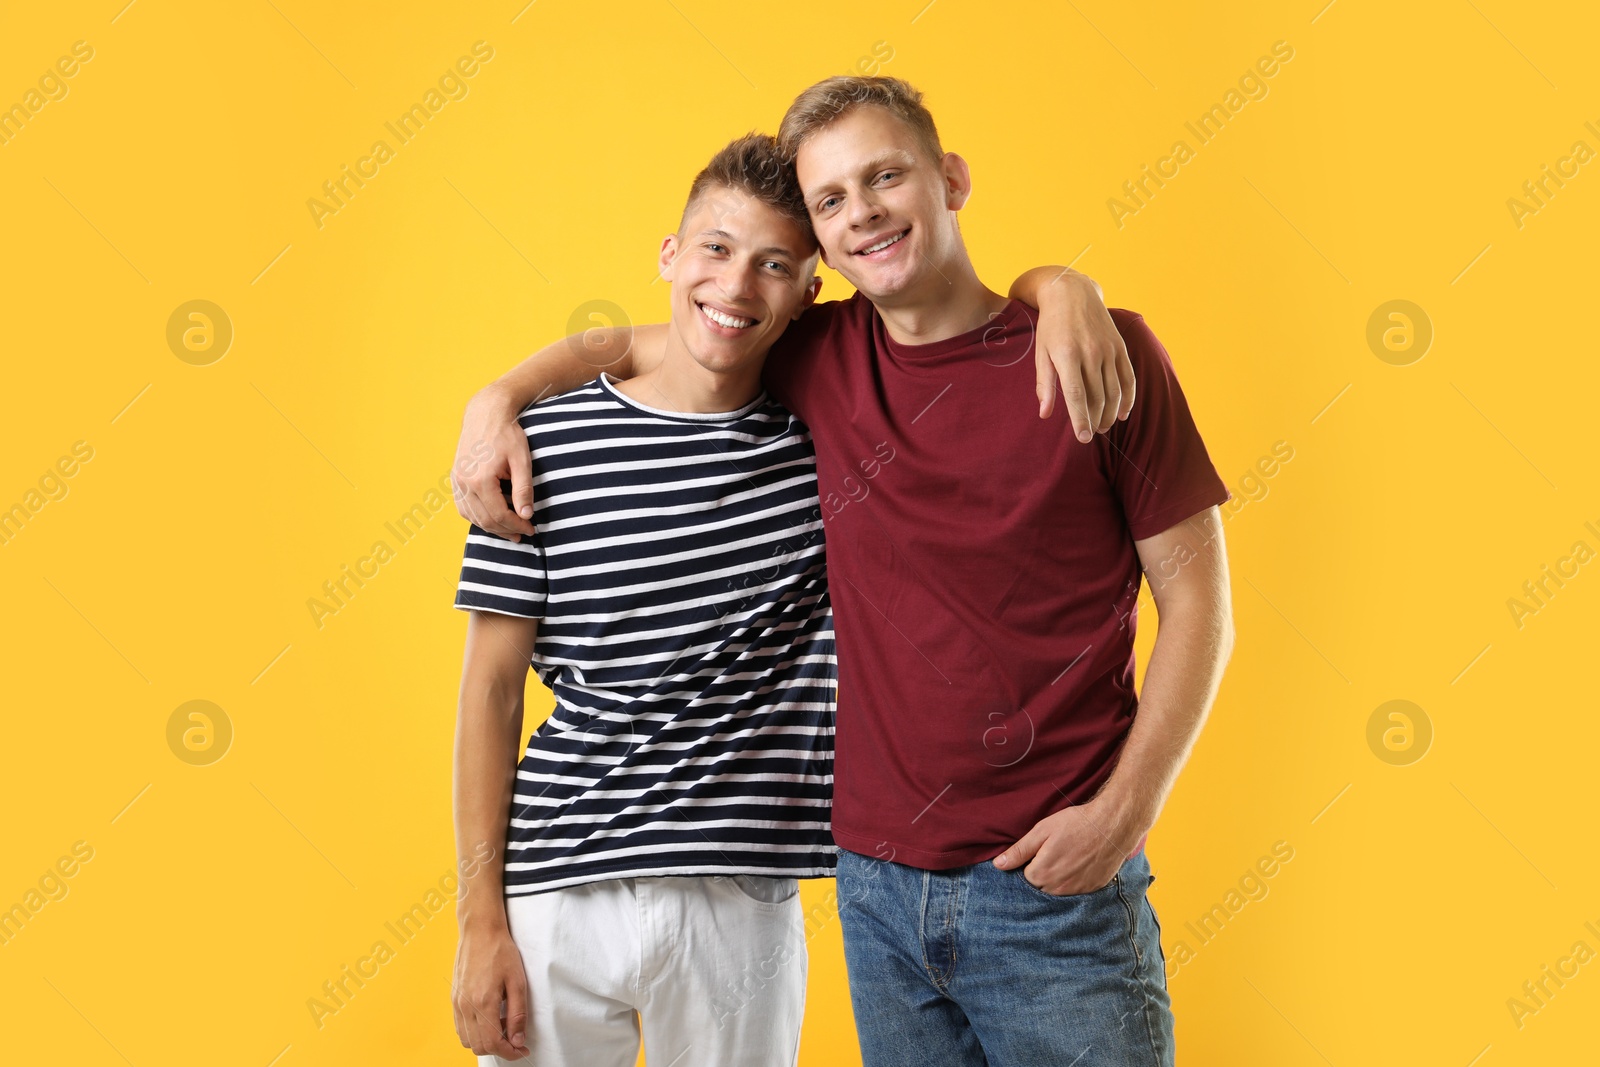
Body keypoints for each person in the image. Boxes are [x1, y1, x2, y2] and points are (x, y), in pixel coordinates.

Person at [459, 76, 1233, 1066]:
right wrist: (499, 395)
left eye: (885, 177)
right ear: (823, 250)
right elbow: (671, 337)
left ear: (949, 179)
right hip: (875, 892)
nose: (860, 210)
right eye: (830, 200)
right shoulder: (815, 357)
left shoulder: (1099, 351)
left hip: (1056, 892)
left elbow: (1201, 604)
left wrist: (1126, 810)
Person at [450, 134, 836, 1067]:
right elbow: (492, 693)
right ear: (669, 254)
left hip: (739, 901)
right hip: (553, 891)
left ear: (809, 291)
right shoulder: (539, 441)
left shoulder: (830, 433)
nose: (737, 285)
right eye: (714, 247)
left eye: (773, 263)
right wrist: (479, 921)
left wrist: (1060, 288)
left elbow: (950, 320)